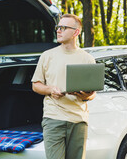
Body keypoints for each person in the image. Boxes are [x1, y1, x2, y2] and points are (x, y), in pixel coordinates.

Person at [31, 14, 96, 159]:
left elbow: (92, 93)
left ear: (76, 32)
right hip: (53, 118)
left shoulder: (87, 59)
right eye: (58, 27)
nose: (58, 30)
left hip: (79, 120)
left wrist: (85, 95)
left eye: (63, 27)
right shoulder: (47, 56)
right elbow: (36, 85)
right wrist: (50, 89)